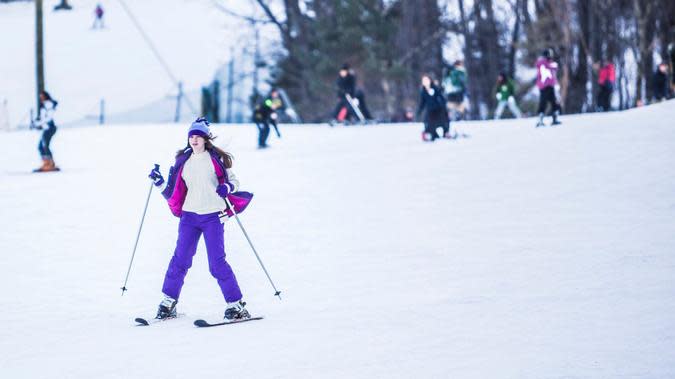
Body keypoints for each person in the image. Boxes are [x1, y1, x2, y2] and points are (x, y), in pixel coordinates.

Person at [147, 117, 254, 321]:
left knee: (217, 263)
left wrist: (227, 188)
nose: (194, 140)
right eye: (191, 136)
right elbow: (173, 192)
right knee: (180, 260)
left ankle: (236, 305)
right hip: (189, 217)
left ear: (205, 139)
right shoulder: (183, 161)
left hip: (213, 216)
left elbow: (234, 182)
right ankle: (168, 303)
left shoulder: (216, 160)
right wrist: (159, 182)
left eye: (198, 136)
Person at [417, 74, 451, 142]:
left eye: (426, 80)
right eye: (424, 81)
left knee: (444, 122)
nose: (425, 82)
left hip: (439, 110)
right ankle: (432, 134)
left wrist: (443, 106)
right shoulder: (423, 91)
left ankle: (446, 133)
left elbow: (442, 98)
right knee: (429, 124)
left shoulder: (435, 88)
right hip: (430, 111)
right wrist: (419, 111)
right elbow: (422, 102)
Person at [33, 91, 59, 172]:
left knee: (44, 146)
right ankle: (47, 163)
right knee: (41, 146)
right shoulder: (45, 105)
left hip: (50, 128)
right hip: (46, 128)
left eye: (42, 96)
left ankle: (49, 164)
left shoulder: (48, 104)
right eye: (40, 96)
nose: (41, 98)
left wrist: (38, 123)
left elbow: (48, 118)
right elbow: (43, 117)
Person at [535, 48, 562, 127]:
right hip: (545, 86)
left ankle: (554, 118)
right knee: (543, 102)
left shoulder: (547, 63)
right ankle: (540, 120)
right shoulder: (543, 63)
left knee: (553, 102)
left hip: (549, 85)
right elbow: (549, 70)